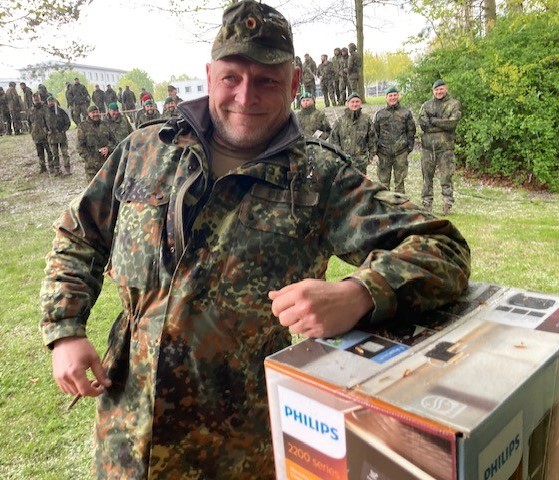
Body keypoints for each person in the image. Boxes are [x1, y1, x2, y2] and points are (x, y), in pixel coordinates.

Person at [40, 2, 471, 479]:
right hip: (126, 429)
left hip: (240, 444)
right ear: (209, 76)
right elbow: (80, 233)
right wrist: (65, 328)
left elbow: (443, 246)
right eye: (232, 77)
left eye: (267, 80)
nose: (246, 96)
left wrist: (359, 294)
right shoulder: (145, 151)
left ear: (293, 84)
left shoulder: (318, 178)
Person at [419, 79, 462, 215]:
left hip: (446, 148)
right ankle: (427, 204)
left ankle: (447, 204)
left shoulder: (454, 104)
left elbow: (452, 124)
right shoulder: (426, 105)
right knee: (427, 177)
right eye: (436, 90)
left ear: (446, 89)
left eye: (441, 89)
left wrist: (435, 121)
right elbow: (424, 124)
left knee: (446, 177)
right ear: (433, 91)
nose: (439, 92)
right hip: (428, 147)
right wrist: (442, 124)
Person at [373, 86, 416, 194]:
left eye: (394, 95)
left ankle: (399, 205)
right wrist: (377, 149)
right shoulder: (380, 114)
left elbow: (411, 131)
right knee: (383, 182)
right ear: (386, 97)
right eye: (390, 95)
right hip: (384, 153)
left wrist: (408, 148)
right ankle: (385, 205)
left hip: (401, 152)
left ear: (398, 96)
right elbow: (374, 133)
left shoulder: (406, 113)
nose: (393, 98)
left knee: (400, 181)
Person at [330, 92, 376, 174]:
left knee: (360, 185)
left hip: (361, 162)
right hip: (344, 162)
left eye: (357, 102)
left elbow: (372, 138)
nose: (355, 104)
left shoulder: (366, 120)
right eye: (352, 102)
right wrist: (339, 157)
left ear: (360, 103)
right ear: (347, 104)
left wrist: (371, 156)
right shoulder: (340, 121)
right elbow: (333, 140)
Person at [77, 105, 116, 182]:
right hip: (92, 168)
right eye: (93, 112)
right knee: (94, 191)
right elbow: (80, 146)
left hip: (107, 163)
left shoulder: (105, 124)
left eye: (97, 112)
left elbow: (114, 141)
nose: (95, 114)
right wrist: (90, 159)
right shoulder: (83, 127)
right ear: (88, 114)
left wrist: (108, 148)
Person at [44, 95, 71, 176]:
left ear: (55, 101)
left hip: (61, 136)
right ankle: (57, 169)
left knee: (65, 153)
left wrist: (63, 130)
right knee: (54, 154)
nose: (51, 103)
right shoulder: (45, 112)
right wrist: (47, 131)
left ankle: (67, 169)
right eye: (49, 101)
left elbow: (67, 122)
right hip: (52, 137)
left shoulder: (61, 111)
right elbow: (43, 124)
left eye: (52, 101)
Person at [28, 93, 54, 174]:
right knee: (40, 152)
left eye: (37, 98)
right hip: (36, 135)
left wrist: (50, 130)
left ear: (40, 98)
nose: (36, 99)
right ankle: (42, 167)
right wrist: (31, 131)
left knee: (49, 151)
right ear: (33, 99)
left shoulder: (46, 108)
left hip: (46, 134)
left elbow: (50, 120)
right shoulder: (31, 110)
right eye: (35, 98)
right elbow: (29, 122)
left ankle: (51, 166)